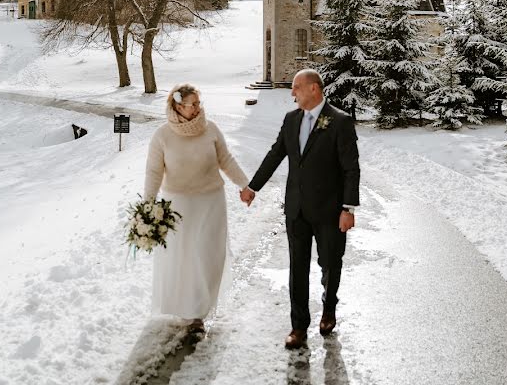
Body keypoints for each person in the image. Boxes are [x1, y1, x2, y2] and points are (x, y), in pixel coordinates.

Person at [241, 69, 360, 350]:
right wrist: (253, 187)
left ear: (314, 89)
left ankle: (329, 307)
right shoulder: (291, 119)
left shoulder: (340, 122)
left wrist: (348, 208)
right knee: (297, 268)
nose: (292, 93)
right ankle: (298, 326)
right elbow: (275, 154)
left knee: (330, 263)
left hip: (331, 212)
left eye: (296, 88)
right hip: (296, 210)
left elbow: (351, 169)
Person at [144, 83, 249, 334]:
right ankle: (187, 311)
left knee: (207, 256)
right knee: (184, 259)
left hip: (211, 202)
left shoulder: (210, 129)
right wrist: (148, 204)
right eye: (193, 104)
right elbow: (154, 171)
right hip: (178, 205)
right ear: (178, 106)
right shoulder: (162, 135)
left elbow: (226, 160)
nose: (198, 108)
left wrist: (245, 184)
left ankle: (199, 311)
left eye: (199, 103)